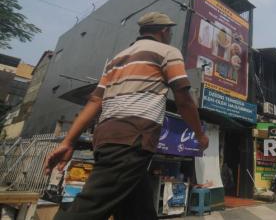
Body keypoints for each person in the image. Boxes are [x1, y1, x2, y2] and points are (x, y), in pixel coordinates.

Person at [44, 12, 209, 220]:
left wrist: (69, 141)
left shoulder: (116, 60)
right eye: (170, 31)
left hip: (106, 138)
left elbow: (95, 101)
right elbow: (184, 99)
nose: (170, 34)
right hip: (132, 139)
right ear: (164, 31)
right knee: (89, 208)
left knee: (139, 210)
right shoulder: (168, 52)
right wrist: (199, 134)